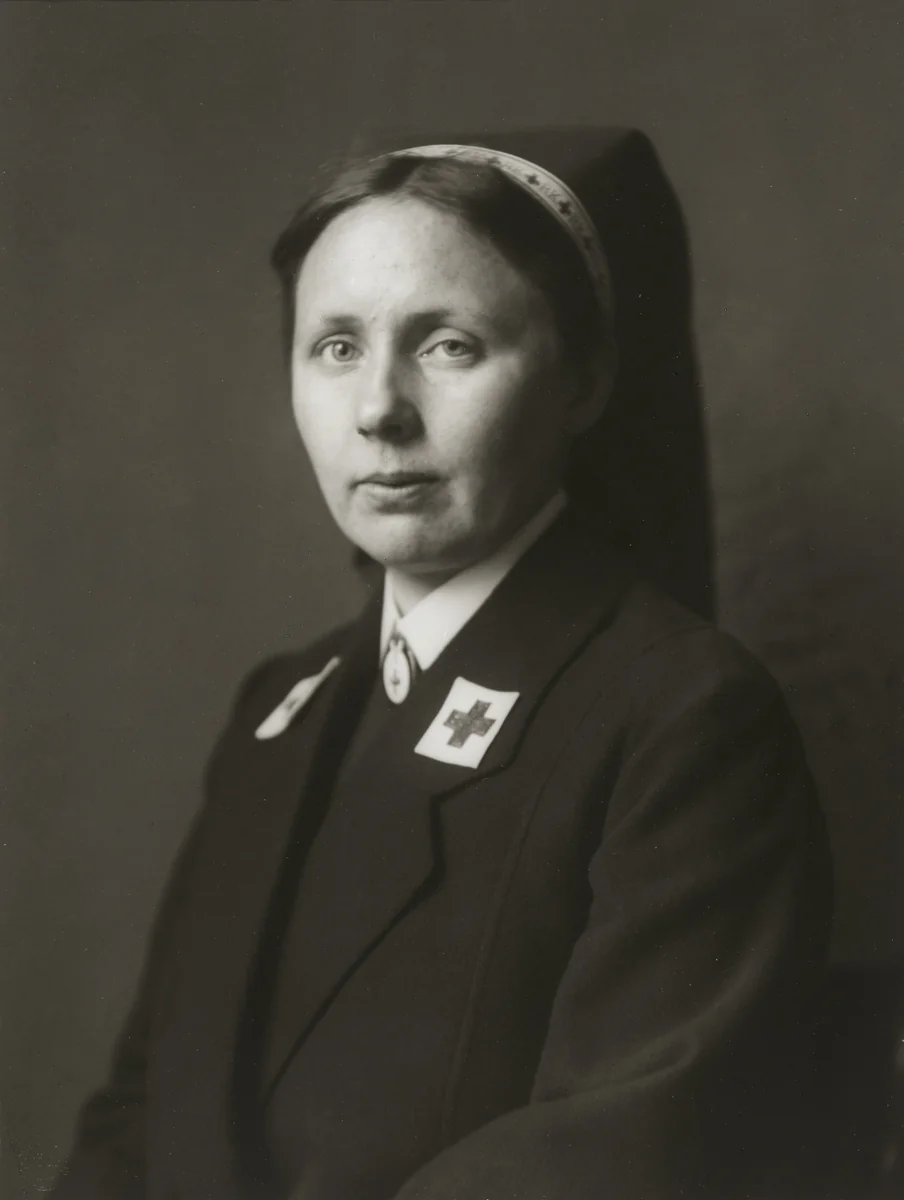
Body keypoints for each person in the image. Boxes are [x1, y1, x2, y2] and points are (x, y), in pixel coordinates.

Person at [51, 129, 833, 1200]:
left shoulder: (679, 717)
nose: (377, 409)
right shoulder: (279, 711)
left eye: (448, 344)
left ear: (584, 378)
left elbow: (624, 1156)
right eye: (335, 347)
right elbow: (139, 1119)